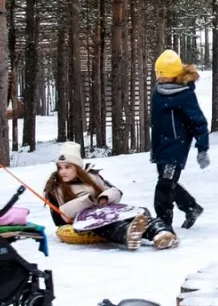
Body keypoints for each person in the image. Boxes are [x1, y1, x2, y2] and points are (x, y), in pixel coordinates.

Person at [42, 142, 175, 250]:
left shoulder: (92, 177)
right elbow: (61, 218)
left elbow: (114, 191)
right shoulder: (56, 189)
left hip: (108, 210)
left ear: (78, 168)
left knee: (136, 215)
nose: (63, 172)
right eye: (60, 168)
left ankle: (161, 233)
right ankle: (127, 233)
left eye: (67, 167)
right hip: (88, 220)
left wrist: (104, 198)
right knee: (106, 225)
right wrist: (88, 201)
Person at [149, 49, 209, 234]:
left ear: (174, 75)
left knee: (164, 186)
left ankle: (163, 225)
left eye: (163, 75)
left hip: (176, 146)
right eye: (158, 74)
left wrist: (202, 148)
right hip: (160, 145)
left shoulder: (184, 95)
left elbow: (198, 122)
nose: (159, 78)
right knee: (166, 181)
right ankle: (191, 207)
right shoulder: (159, 92)